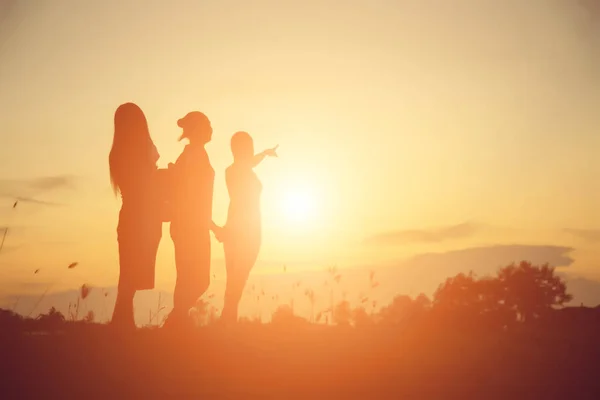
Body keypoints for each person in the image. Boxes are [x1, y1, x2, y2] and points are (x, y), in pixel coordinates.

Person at [213, 132, 278, 324]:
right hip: (243, 230)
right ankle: (227, 326)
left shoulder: (236, 170)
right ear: (241, 149)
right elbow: (248, 164)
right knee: (236, 281)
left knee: (235, 281)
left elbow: (250, 163)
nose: (252, 150)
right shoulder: (236, 171)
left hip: (240, 229)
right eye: (249, 146)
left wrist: (265, 153)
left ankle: (227, 324)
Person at [109, 102, 163, 330]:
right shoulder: (137, 151)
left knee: (129, 273)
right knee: (131, 274)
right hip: (140, 217)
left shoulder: (119, 152)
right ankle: (121, 324)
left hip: (133, 215)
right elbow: (145, 184)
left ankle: (123, 323)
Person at [163, 111, 215, 329]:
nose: (211, 128)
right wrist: (211, 225)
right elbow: (193, 197)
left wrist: (211, 225)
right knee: (193, 279)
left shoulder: (196, 154)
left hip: (193, 225)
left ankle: (175, 324)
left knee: (191, 279)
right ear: (197, 130)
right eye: (206, 124)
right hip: (190, 226)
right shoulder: (193, 155)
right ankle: (174, 325)